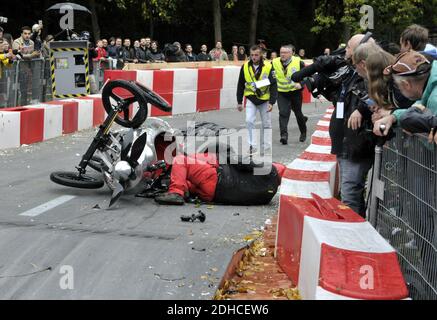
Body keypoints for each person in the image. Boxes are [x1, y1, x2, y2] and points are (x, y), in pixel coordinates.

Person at [328, 34, 376, 217]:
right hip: (346, 140)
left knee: (350, 194)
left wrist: (362, 109)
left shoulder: (370, 73)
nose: (345, 50)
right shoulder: (351, 72)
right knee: (349, 192)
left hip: (356, 142)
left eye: (348, 47)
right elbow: (342, 99)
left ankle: (353, 238)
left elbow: (379, 95)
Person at [154, 153, 286, 206]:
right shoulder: (268, 196)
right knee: (190, 180)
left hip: (217, 180)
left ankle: (176, 192)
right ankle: (183, 187)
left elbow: (241, 163)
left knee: (180, 159)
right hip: (213, 196)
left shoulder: (269, 170)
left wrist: (227, 156)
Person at [374, 51, 437, 137]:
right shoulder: (430, 89)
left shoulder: (434, 99)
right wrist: (394, 117)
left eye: (397, 85)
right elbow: (420, 108)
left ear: (406, 85)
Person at [237, 45, 277, 156]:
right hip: (251, 97)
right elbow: (240, 84)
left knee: (266, 123)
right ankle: (252, 146)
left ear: (261, 55)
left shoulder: (269, 66)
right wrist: (239, 101)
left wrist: (272, 102)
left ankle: (267, 146)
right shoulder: (245, 66)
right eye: (252, 55)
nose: (254, 57)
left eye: (256, 55)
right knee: (249, 121)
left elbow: (274, 84)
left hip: (265, 99)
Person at [272, 44, 307, 144]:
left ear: (292, 53)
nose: (282, 54)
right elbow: (270, 76)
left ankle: (303, 132)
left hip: (295, 93)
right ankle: (284, 135)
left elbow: (307, 76)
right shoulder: (274, 62)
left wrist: (301, 84)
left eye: (285, 52)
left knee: (298, 113)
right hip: (281, 93)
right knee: (283, 113)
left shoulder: (299, 62)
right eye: (281, 52)